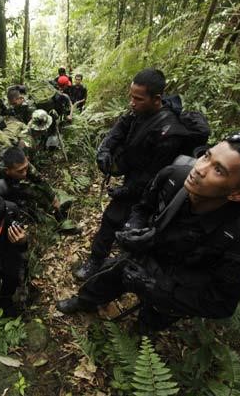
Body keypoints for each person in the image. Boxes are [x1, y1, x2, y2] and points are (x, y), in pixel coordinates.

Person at [57, 133, 240, 333]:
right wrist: (133, 229)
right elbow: (142, 208)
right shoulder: (173, 178)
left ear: (238, 195)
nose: (200, 168)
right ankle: (85, 301)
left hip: (178, 286)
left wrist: (159, 290)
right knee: (109, 277)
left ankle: (139, 338)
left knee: (150, 323)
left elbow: (221, 303)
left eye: (218, 170)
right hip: (146, 255)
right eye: (206, 156)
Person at [73, 68, 184, 280]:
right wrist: (105, 150)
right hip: (133, 177)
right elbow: (118, 130)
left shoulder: (169, 133)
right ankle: (96, 260)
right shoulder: (139, 111)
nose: (132, 102)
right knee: (111, 220)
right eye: (131, 96)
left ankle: (116, 273)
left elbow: (154, 176)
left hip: (151, 191)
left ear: (156, 99)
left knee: (130, 232)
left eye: (138, 98)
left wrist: (125, 192)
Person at [0, 146, 60, 217]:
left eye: (26, 168)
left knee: (34, 193)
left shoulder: (23, 164)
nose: (25, 173)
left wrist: (53, 197)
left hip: (11, 182)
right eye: (20, 171)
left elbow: (39, 179)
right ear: (7, 170)